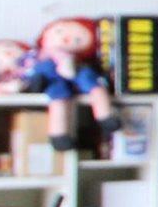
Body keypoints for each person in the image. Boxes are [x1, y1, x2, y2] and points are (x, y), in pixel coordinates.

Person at [23, 17, 116, 154]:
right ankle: (58, 135)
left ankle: (106, 117)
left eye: (78, 40)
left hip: (76, 74)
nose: (66, 38)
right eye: (59, 31)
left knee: (92, 83)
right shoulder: (37, 56)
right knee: (59, 97)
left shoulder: (80, 62)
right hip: (53, 78)